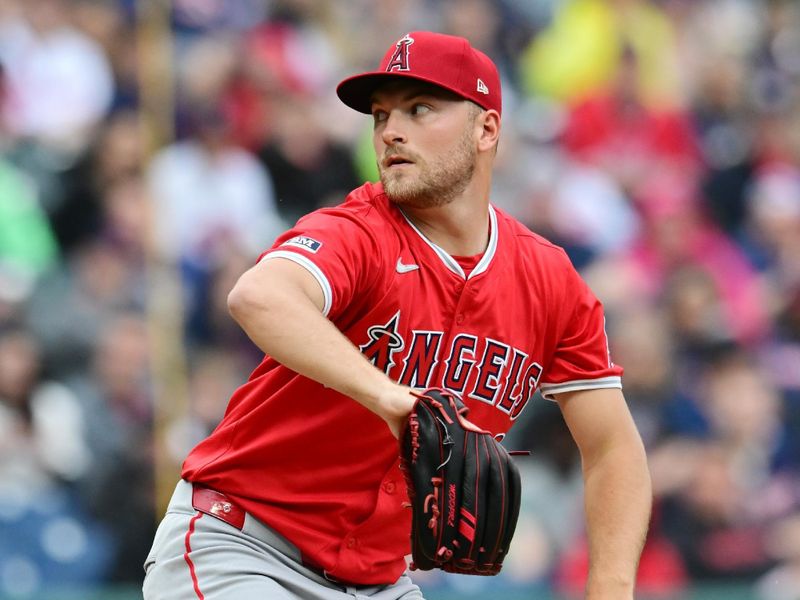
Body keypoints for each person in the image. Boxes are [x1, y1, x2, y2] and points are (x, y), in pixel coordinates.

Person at [142, 31, 652, 600]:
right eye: (381, 115)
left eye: (420, 108)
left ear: (486, 129)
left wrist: (611, 587)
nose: (391, 131)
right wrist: (391, 399)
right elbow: (258, 296)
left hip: (380, 581)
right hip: (246, 546)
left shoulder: (549, 280)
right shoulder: (358, 230)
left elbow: (613, 448)